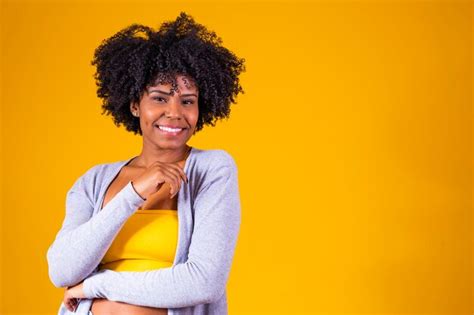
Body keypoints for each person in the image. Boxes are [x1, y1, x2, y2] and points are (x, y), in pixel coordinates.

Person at [46, 11, 245, 315]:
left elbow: (204, 282)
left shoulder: (213, 170)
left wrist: (97, 286)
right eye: (160, 98)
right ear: (135, 105)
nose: (175, 112)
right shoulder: (94, 181)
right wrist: (133, 194)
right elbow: (62, 270)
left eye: (188, 101)